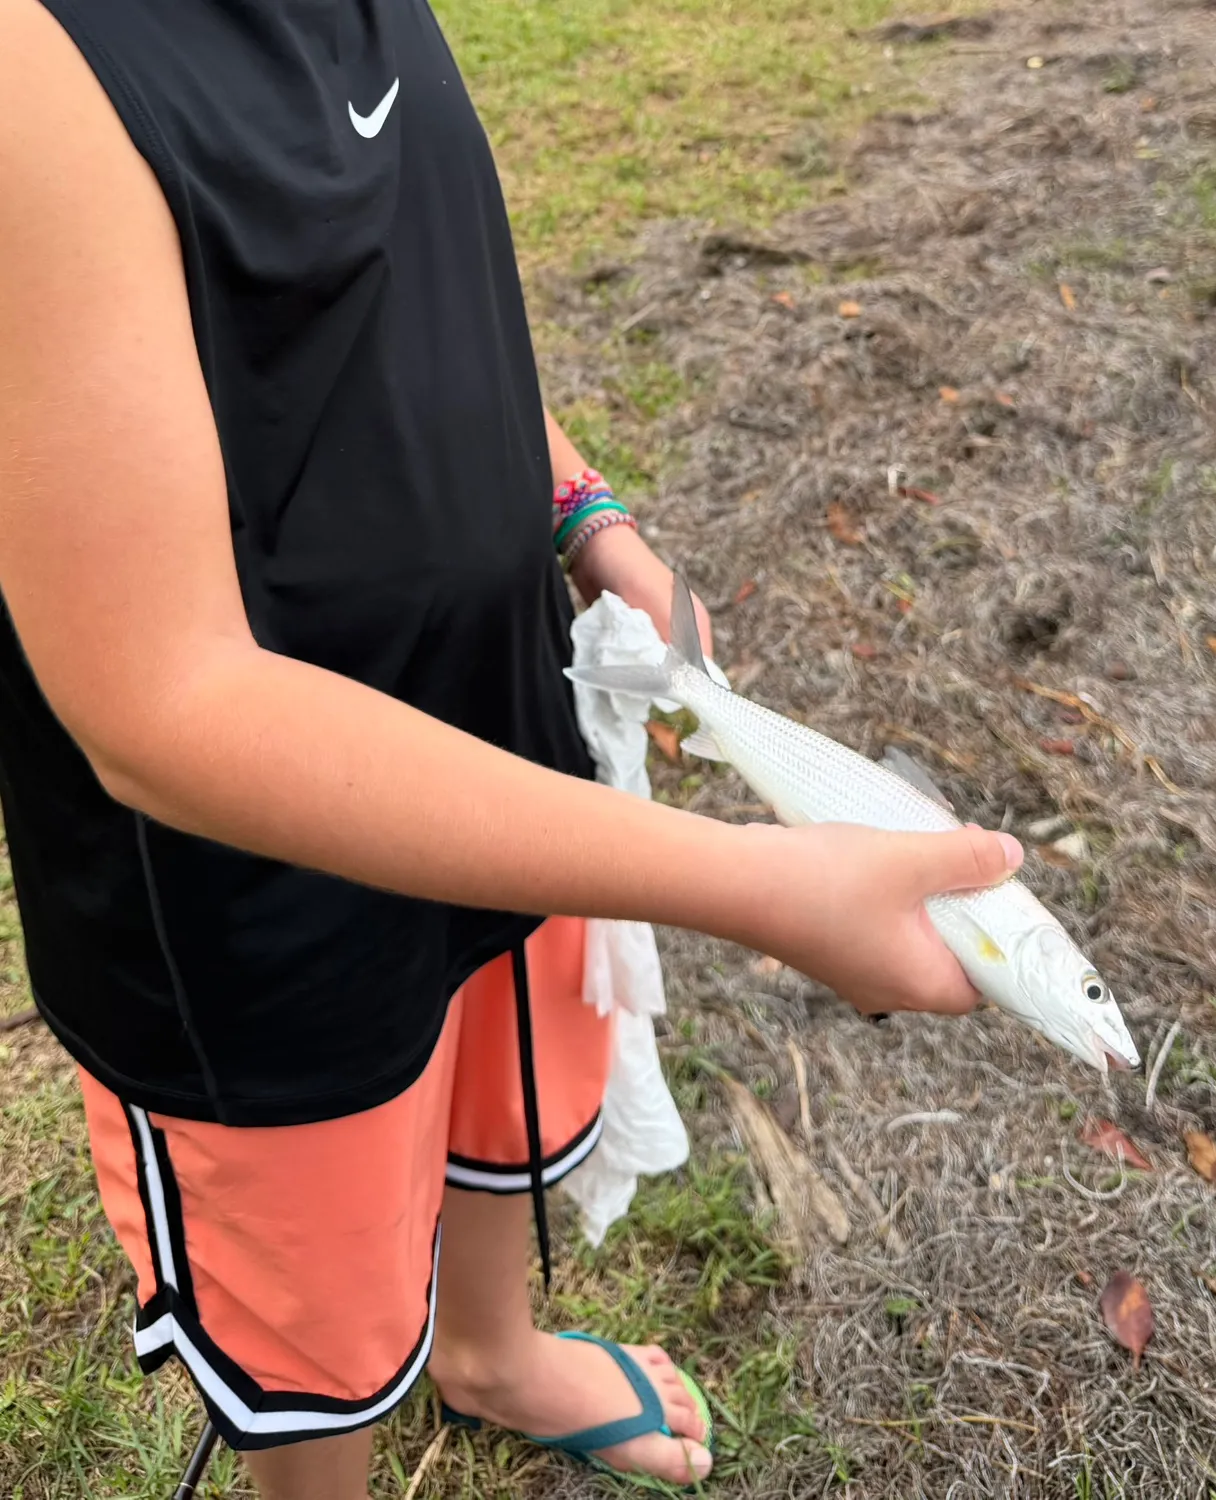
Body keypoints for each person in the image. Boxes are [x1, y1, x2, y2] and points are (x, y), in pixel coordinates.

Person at [0, 1, 1025, 1495]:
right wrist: (753, 883)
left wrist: (582, 514)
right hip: (256, 906)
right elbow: (168, 705)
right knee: (322, 1312)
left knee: (506, 1087)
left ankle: (491, 1351)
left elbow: (408, 306)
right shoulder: (35, 70)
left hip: (504, 743)